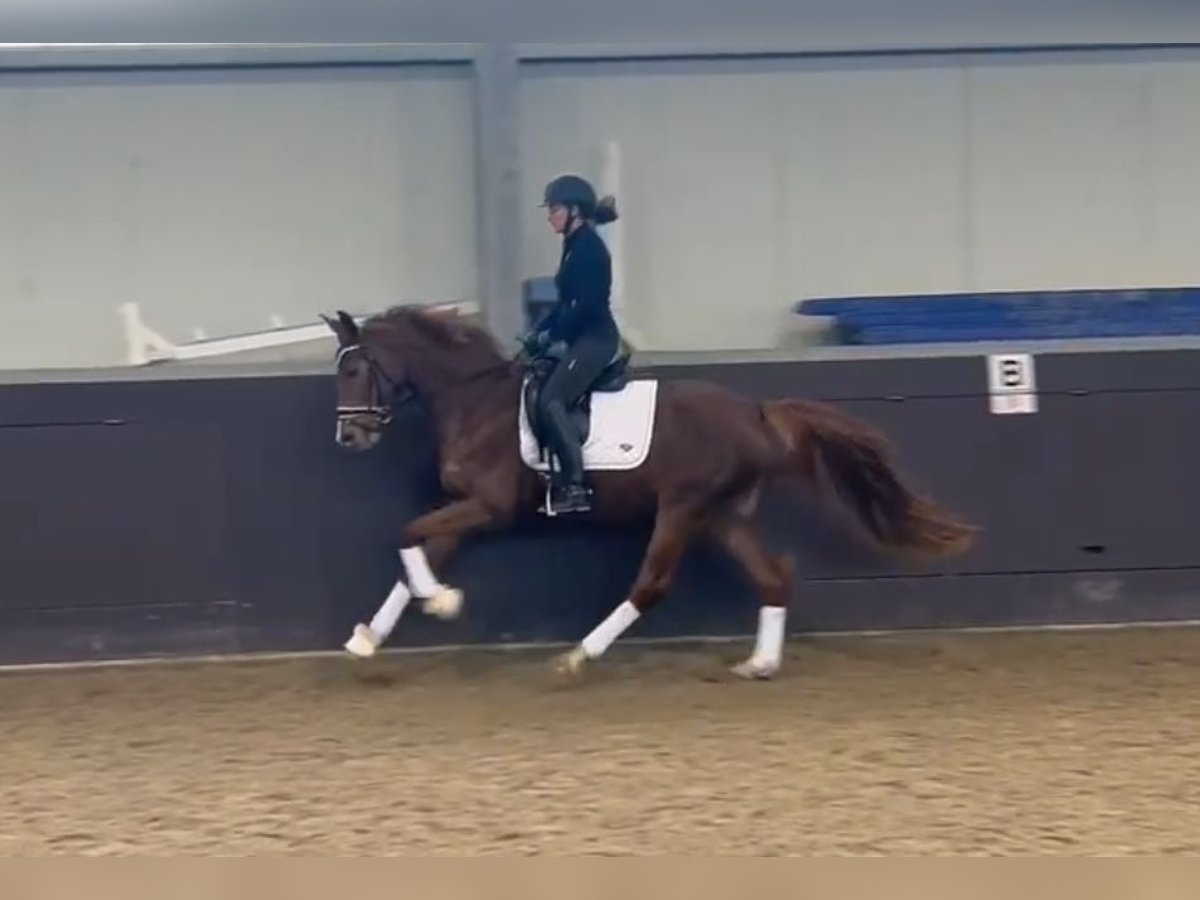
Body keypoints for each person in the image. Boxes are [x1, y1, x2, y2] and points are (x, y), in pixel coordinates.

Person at [525, 173, 623, 515]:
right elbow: (565, 303)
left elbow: (587, 307)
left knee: (553, 398)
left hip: (596, 339)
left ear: (574, 211)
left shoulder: (589, 250)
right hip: (580, 335)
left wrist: (554, 334)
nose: (549, 215)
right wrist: (539, 331)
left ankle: (576, 485)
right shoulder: (573, 244)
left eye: (554, 209)